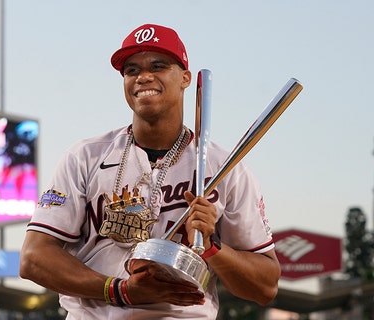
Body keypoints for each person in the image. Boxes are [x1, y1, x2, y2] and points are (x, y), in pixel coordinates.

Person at [19, 24, 280, 319]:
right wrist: (119, 290)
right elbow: (33, 259)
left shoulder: (224, 167)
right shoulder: (86, 156)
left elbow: (265, 286)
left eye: (158, 65)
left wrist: (211, 247)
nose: (143, 76)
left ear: (184, 78)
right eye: (132, 70)